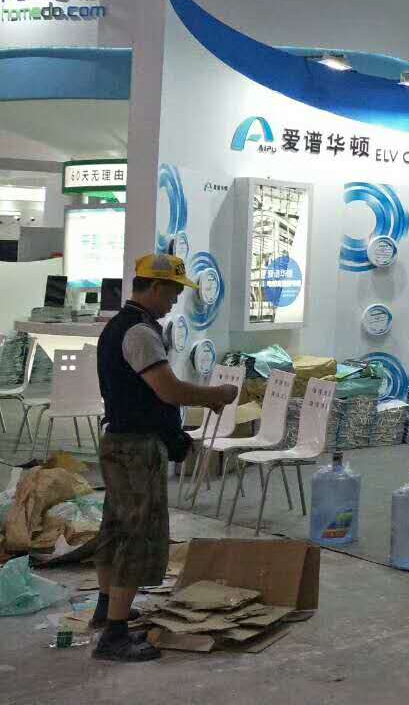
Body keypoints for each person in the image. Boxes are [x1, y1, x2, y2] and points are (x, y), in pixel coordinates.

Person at [91, 254, 238, 662]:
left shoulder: (119, 326)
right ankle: (115, 636)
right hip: (136, 447)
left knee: (116, 526)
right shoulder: (139, 333)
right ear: (155, 287)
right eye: (173, 292)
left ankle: (107, 608)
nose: (175, 301)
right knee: (136, 535)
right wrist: (215, 394)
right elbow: (168, 390)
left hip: (119, 441)